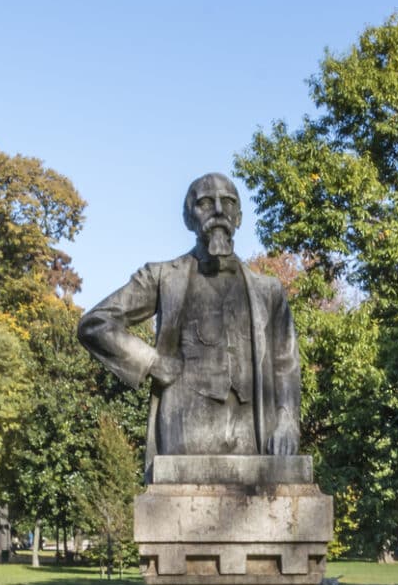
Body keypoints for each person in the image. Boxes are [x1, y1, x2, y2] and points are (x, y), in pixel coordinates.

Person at [76, 174, 300, 465]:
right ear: (188, 218)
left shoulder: (268, 291)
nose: (219, 211)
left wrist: (287, 420)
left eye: (228, 203)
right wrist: (151, 361)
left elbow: (285, 363)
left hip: (254, 431)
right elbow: (96, 324)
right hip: (185, 428)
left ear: (239, 217)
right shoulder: (163, 277)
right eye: (206, 203)